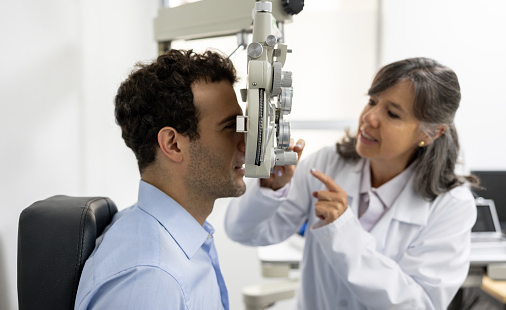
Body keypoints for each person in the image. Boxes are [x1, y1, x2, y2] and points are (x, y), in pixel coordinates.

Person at [225, 57, 478, 309]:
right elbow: (242, 231)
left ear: (430, 133)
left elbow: (419, 305)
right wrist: (271, 189)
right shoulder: (327, 163)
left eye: (392, 113)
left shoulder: (452, 206)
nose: (369, 117)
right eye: (372, 101)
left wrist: (343, 232)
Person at [75, 49, 246, 310]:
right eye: (229, 127)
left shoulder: (180, 240)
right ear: (173, 144)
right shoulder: (151, 281)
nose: (245, 144)